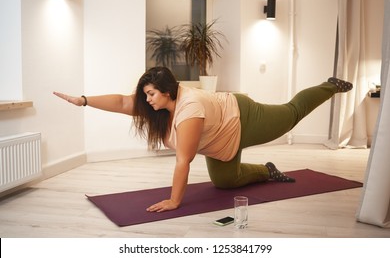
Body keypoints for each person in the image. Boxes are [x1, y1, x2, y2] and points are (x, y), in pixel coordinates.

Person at [53, 67, 353, 212]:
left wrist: (175, 200)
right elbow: (121, 102)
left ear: (168, 91)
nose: (147, 100)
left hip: (241, 118)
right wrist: (83, 100)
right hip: (220, 139)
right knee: (226, 181)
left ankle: (328, 86)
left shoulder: (190, 109)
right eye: (145, 94)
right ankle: (267, 170)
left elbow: (184, 160)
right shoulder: (158, 103)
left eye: (151, 94)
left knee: (291, 114)